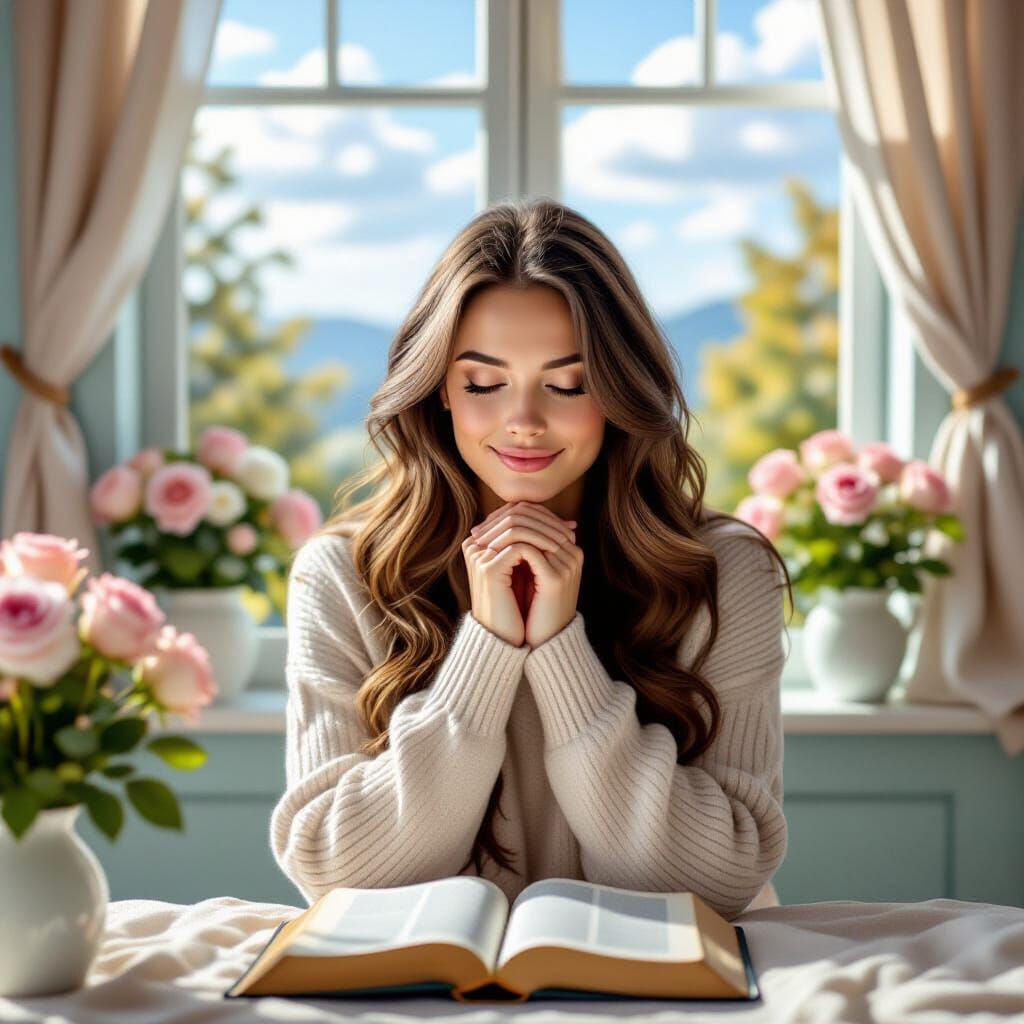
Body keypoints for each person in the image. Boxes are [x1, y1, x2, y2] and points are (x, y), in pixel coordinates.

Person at [270, 197, 794, 920]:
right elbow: (336, 874)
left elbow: (718, 883)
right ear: (440, 392)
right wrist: (485, 648)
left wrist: (557, 649)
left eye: (569, 384)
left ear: (617, 392)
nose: (523, 420)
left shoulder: (724, 572)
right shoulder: (340, 576)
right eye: (483, 383)